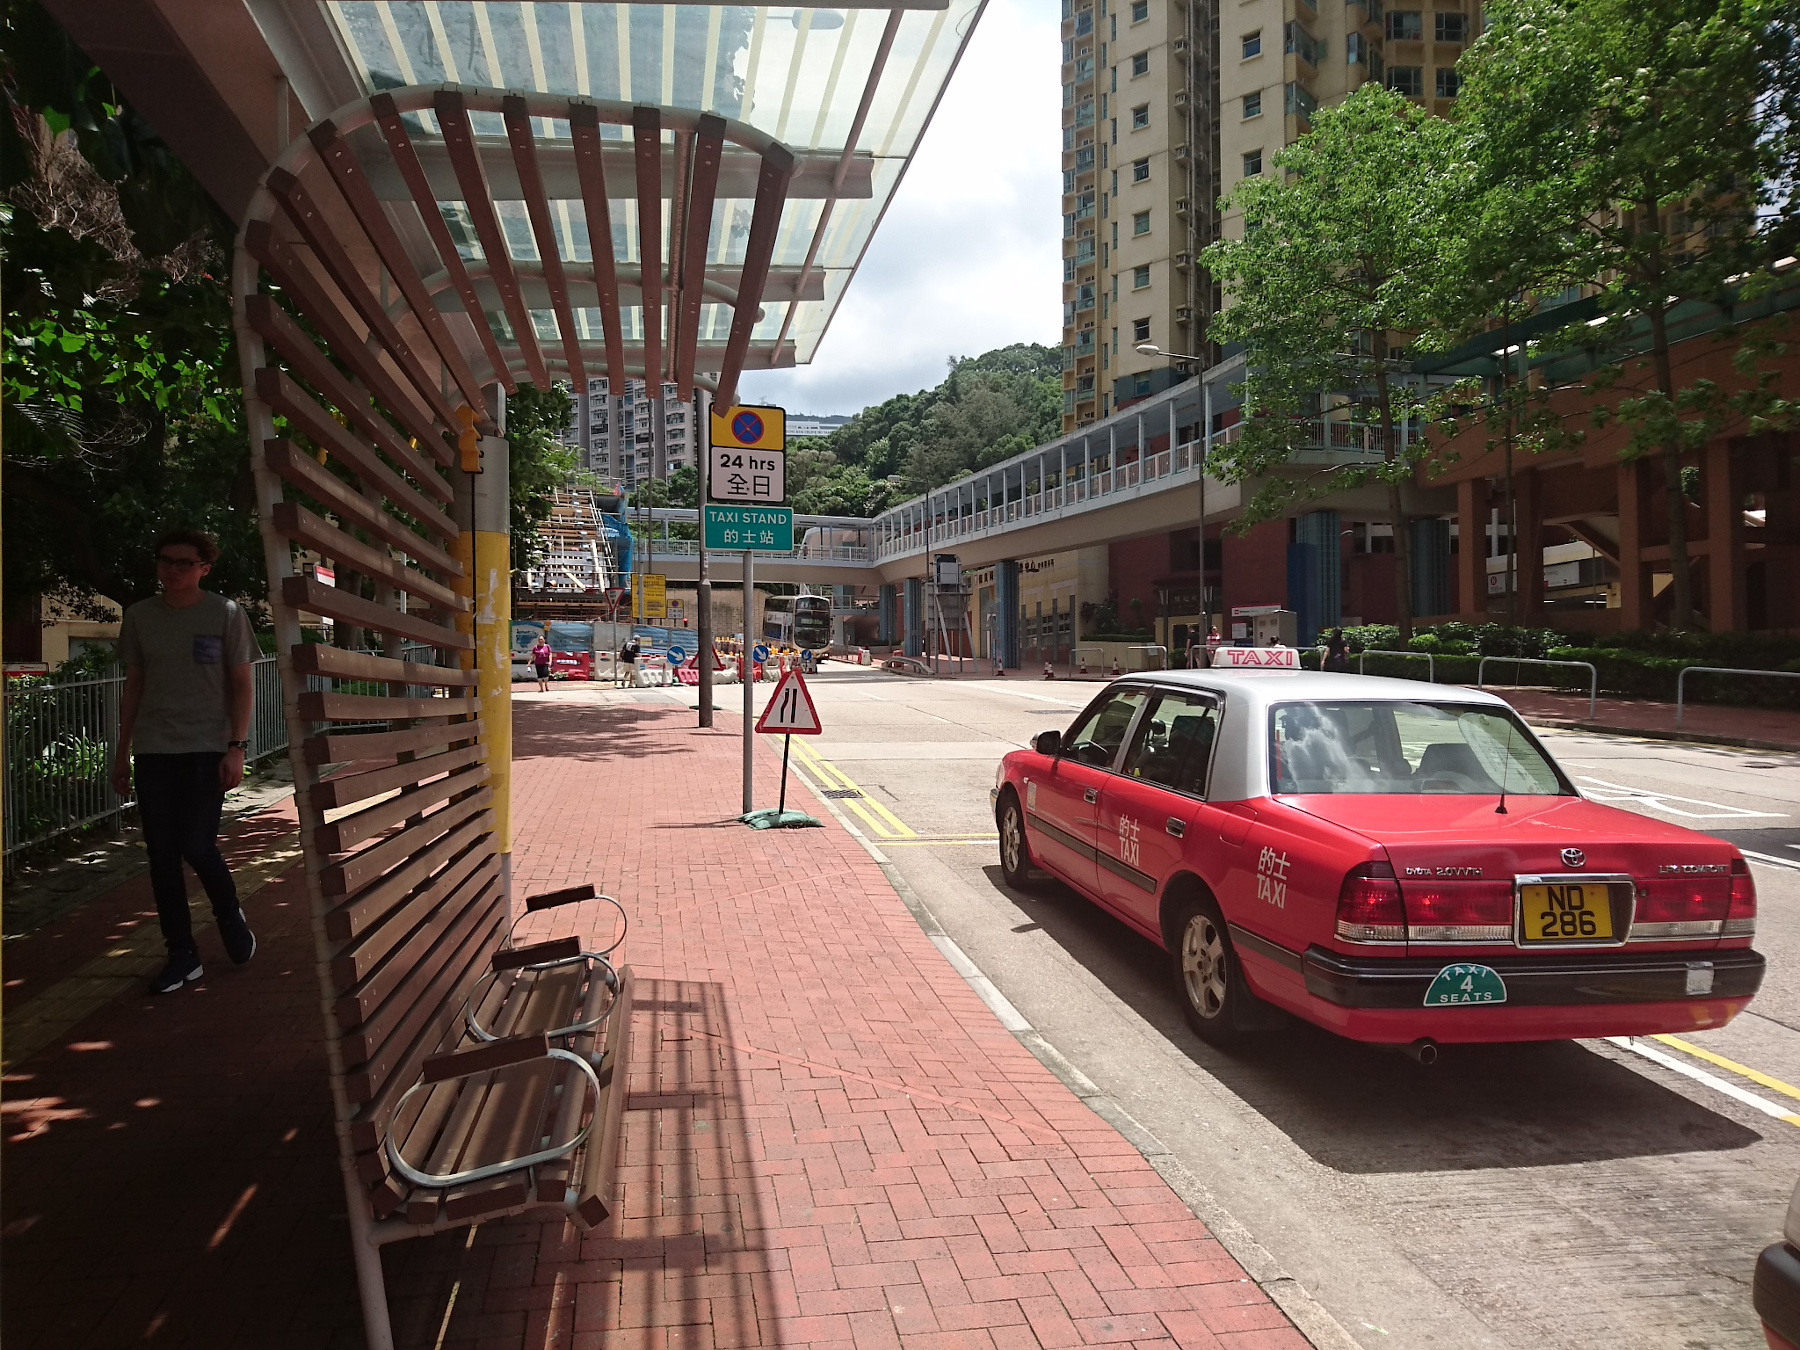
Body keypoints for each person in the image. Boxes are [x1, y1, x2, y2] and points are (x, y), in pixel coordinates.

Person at [109, 527, 259, 995]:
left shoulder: (225, 613)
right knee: (161, 857)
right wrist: (122, 753)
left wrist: (237, 747)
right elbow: (134, 685)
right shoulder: (139, 616)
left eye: (184, 563)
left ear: (203, 569)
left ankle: (229, 913)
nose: (173, 570)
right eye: (166, 561)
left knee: (197, 844)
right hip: (154, 749)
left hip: (207, 747)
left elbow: (241, 684)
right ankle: (182, 953)